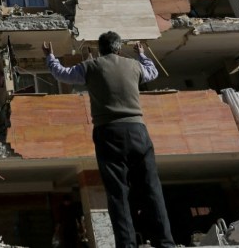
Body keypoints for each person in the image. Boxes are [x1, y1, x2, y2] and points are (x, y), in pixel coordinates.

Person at [43, 32, 174, 248]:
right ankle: (165, 243)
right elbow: (152, 72)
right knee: (152, 188)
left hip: (108, 133)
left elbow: (62, 74)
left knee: (117, 193)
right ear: (119, 49)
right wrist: (141, 54)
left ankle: (126, 244)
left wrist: (50, 57)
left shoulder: (91, 67)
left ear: (100, 49)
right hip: (137, 130)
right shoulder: (133, 66)